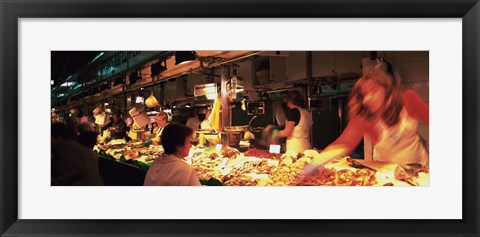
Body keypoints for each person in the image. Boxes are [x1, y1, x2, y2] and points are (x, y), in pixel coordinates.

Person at [305, 59, 429, 173]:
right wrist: (313, 165)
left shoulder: (408, 99)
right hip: (387, 172)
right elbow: (342, 144)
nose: (367, 99)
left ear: (386, 90)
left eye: (373, 91)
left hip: (419, 168)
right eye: (363, 95)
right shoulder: (364, 117)